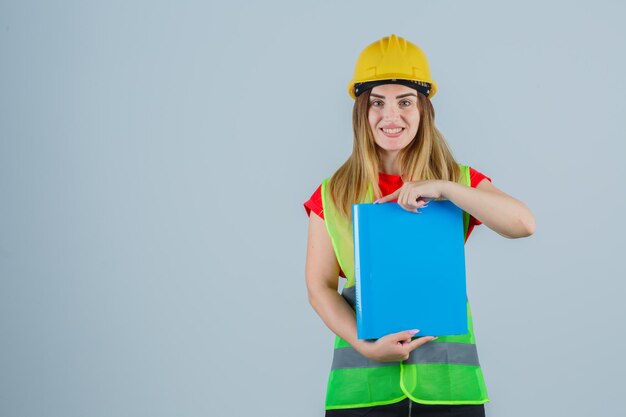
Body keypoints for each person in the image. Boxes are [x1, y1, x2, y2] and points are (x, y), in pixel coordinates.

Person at [303, 34, 535, 417]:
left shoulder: (456, 181)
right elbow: (319, 287)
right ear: (362, 112)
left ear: (424, 109)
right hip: (362, 389)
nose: (390, 116)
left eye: (405, 102)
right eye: (377, 103)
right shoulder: (332, 191)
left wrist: (446, 188)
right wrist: (366, 347)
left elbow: (523, 223)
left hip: (448, 389)